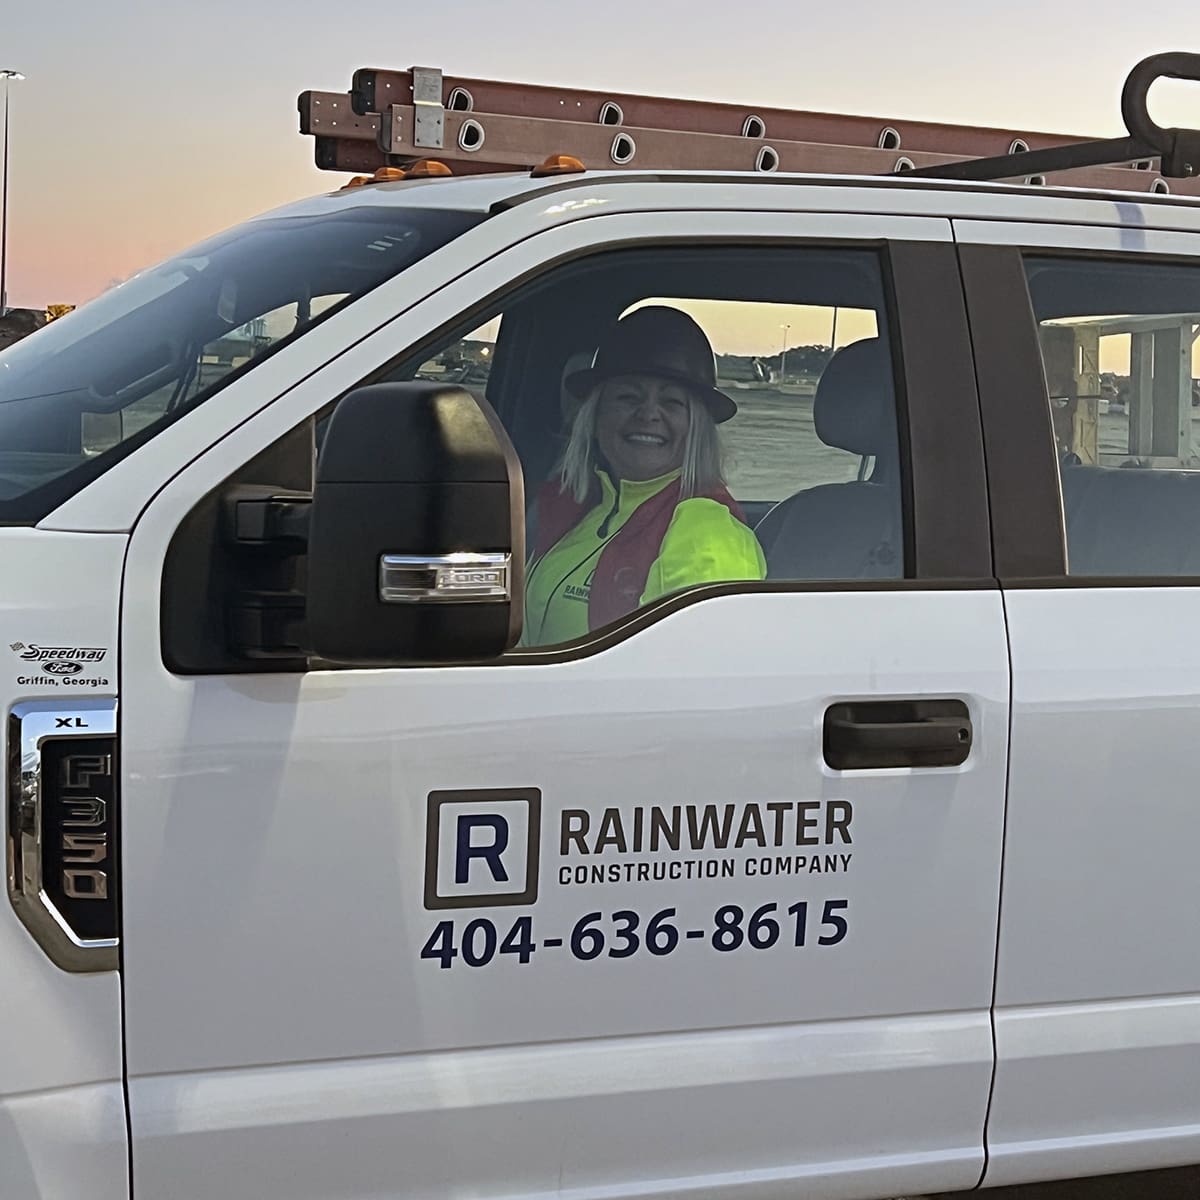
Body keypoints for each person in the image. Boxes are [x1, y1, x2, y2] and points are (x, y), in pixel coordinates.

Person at [523, 306, 766, 645]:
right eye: (628, 397)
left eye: (672, 402)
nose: (649, 413)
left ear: (696, 429)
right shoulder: (572, 507)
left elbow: (693, 686)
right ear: (595, 417)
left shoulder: (707, 538)